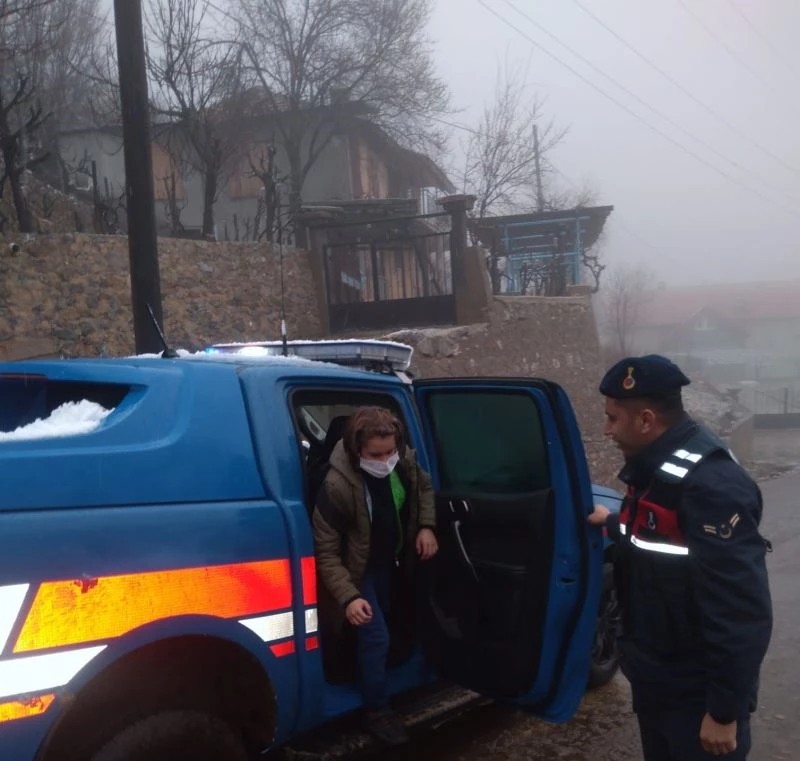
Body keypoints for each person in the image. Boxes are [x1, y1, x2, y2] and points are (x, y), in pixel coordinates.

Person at [588, 355, 772, 761]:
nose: (605, 430)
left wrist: (724, 711)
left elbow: (740, 611)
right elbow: (660, 533)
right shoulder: (657, 466)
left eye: (613, 419)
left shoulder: (712, 486)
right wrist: (613, 520)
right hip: (658, 680)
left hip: (696, 696)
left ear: (647, 420)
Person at [312, 406, 438, 745]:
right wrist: (349, 597)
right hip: (357, 569)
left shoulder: (404, 462)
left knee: (396, 620)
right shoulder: (336, 486)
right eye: (375, 455)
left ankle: (378, 673)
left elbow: (424, 489)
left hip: (389, 562)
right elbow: (325, 552)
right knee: (375, 634)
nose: (385, 461)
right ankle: (377, 711)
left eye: (390, 452)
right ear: (356, 450)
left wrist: (427, 526)